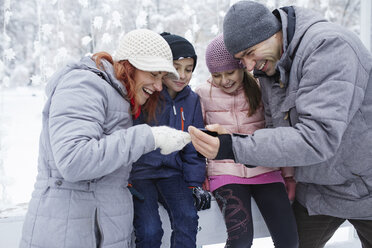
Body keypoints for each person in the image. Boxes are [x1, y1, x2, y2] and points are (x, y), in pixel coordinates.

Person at [189, 1, 372, 248]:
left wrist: (232, 145)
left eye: (250, 53)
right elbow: (279, 133)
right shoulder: (271, 64)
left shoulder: (328, 47)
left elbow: (316, 137)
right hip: (317, 191)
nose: (250, 67)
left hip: (365, 188)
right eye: (243, 60)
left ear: (272, 33)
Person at [19, 29, 193, 248]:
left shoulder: (121, 97)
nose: (159, 86)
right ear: (131, 66)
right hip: (68, 232)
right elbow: (74, 160)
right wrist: (150, 137)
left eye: (161, 78)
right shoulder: (83, 84)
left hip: (104, 230)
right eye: (154, 74)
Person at [195, 33, 298, 248]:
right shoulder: (203, 94)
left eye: (230, 72)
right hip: (226, 174)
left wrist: (288, 175)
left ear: (242, 66)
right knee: (241, 240)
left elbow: (279, 133)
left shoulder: (261, 89)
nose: (224, 81)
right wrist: (198, 176)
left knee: (289, 239)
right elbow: (198, 139)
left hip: (266, 171)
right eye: (217, 75)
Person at [129, 32, 211, 248]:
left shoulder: (192, 100)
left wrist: (194, 183)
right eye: (175, 68)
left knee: (188, 218)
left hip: (172, 174)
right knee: (149, 230)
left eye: (189, 69)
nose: (182, 75)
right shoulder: (147, 95)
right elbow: (128, 136)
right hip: (141, 175)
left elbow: (194, 145)